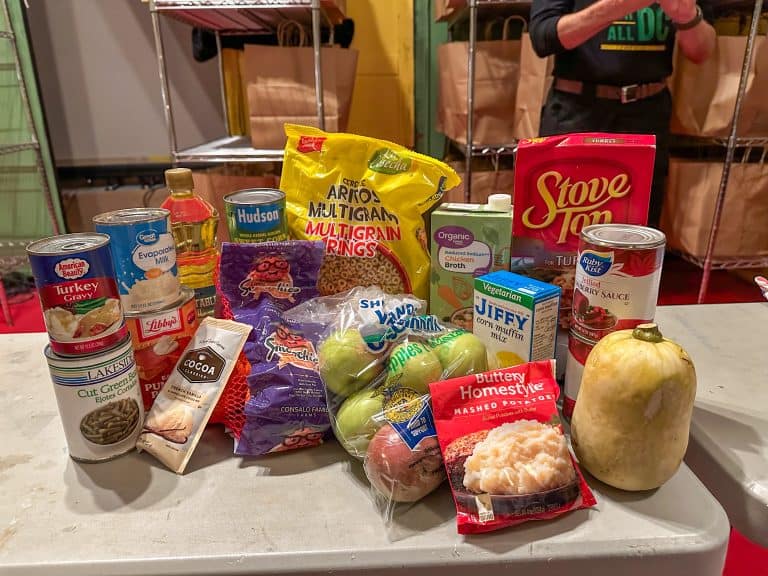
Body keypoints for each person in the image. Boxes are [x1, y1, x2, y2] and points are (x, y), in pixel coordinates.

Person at [530, 0, 716, 227]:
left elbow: (702, 51)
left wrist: (687, 17)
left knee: (638, 235)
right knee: (561, 234)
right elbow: (543, 37)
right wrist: (620, 5)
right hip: (578, 110)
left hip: (647, 112)